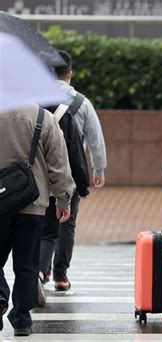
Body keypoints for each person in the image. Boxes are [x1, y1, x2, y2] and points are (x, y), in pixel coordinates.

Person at [0, 105, 75, 336]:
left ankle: (0, 295)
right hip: (33, 204)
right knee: (27, 265)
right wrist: (64, 199)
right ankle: (22, 319)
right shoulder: (44, 118)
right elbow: (59, 165)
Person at [39, 50, 107, 291]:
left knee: (47, 224)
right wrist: (99, 169)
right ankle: (60, 276)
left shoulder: (37, 99)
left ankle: (41, 270)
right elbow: (95, 138)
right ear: (69, 74)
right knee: (67, 224)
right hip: (72, 170)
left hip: (42, 170)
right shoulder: (81, 102)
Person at [38, 91, 91, 302]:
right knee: (61, 228)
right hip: (59, 182)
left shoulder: (20, 110)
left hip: (28, 185)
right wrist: (82, 184)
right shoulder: (62, 112)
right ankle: (56, 275)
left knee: (40, 233)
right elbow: (75, 152)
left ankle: (38, 272)